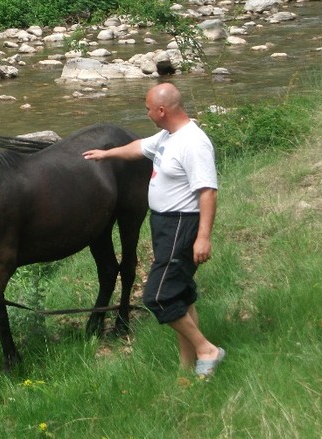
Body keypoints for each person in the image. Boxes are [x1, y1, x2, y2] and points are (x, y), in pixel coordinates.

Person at [83, 82, 225, 377]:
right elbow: (139, 148)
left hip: (181, 225)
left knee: (158, 297)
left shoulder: (193, 143)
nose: (146, 113)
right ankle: (189, 368)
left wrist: (203, 237)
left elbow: (208, 191)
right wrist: (106, 154)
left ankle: (207, 349)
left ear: (162, 110)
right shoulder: (167, 136)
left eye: (148, 109)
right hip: (164, 224)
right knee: (182, 296)